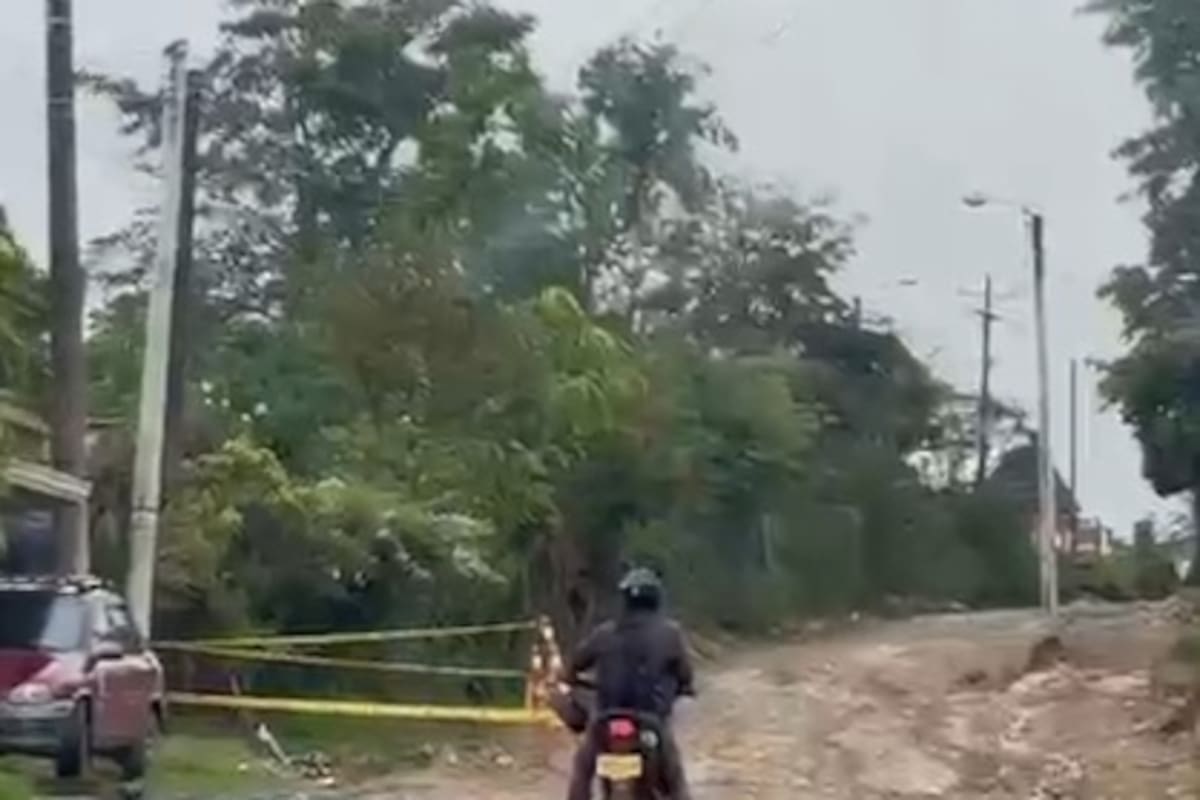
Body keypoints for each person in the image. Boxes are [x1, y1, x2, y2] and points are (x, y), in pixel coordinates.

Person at [563, 567, 695, 800]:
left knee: (582, 771)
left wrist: (573, 680)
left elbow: (574, 665)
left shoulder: (604, 633)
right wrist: (683, 688)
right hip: (651, 723)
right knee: (675, 781)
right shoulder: (670, 633)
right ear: (656, 599)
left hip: (605, 721)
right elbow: (686, 675)